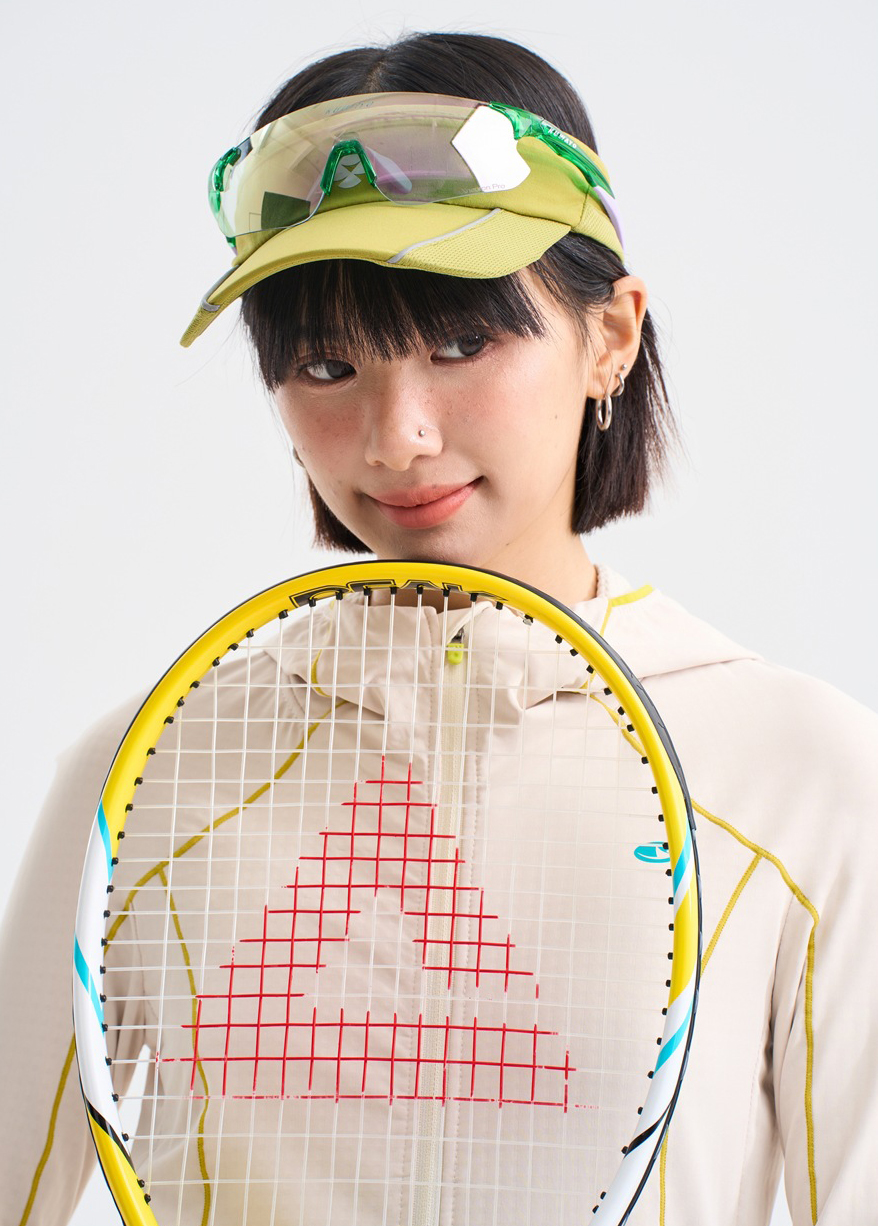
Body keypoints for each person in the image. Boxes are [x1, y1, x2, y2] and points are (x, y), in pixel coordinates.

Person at [1, 30, 875, 1226]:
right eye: (324, 365)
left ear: (609, 336)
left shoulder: (798, 775)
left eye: (461, 344)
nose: (395, 434)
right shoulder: (141, 775)